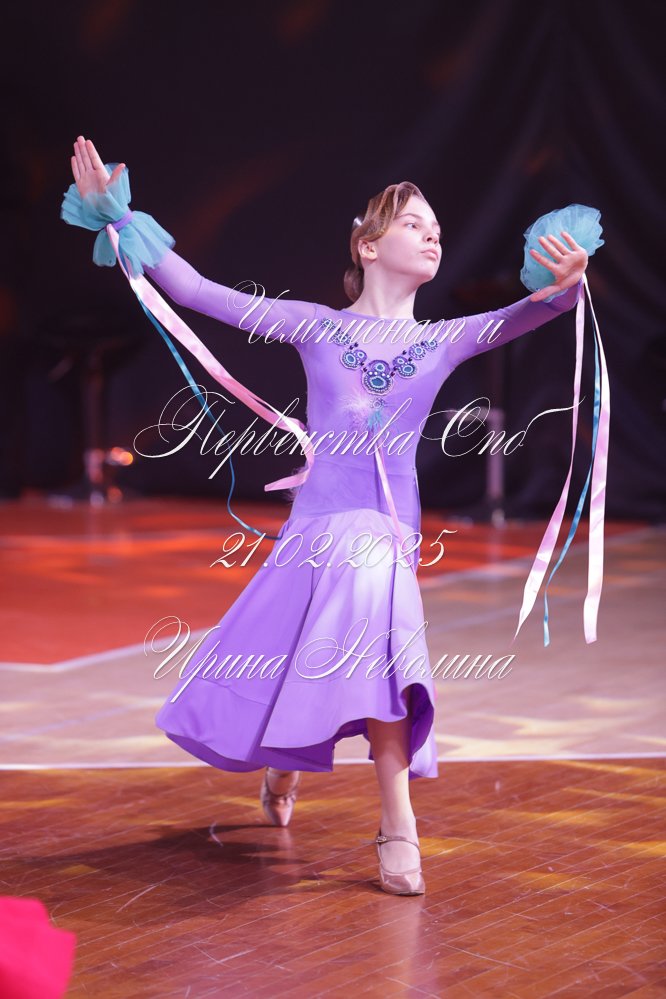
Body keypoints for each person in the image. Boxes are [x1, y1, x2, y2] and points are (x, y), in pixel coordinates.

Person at [65, 135, 589, 896]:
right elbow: (199, 290)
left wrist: (567, 286)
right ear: (369, 246)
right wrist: (119, 217)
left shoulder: (445, 341)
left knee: (376, 647)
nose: (433, 236)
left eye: (437, 229)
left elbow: (525, 315)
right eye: (414, 224)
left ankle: (397, 821)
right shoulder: (317, 325)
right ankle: (289, 767)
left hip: (386, 535)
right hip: (319, 530)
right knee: (310, 651)